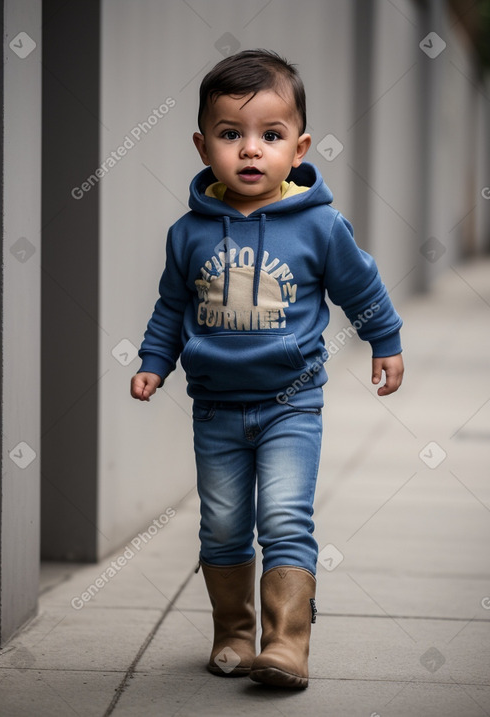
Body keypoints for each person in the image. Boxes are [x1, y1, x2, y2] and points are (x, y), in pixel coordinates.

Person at [131, 49, 404, 690]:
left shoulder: (319, 225)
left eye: (270, 136)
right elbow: (171, 306)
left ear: (299, 146)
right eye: (232, 135)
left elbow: (360, 289)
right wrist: (153, 362)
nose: (251, 151)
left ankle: (286, 643)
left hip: (292, 403)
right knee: (223, 522)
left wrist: (384, 340)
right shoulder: (188, 234)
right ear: (203, 147)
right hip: (217, 408)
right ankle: (233, 631)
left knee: (284, 517)